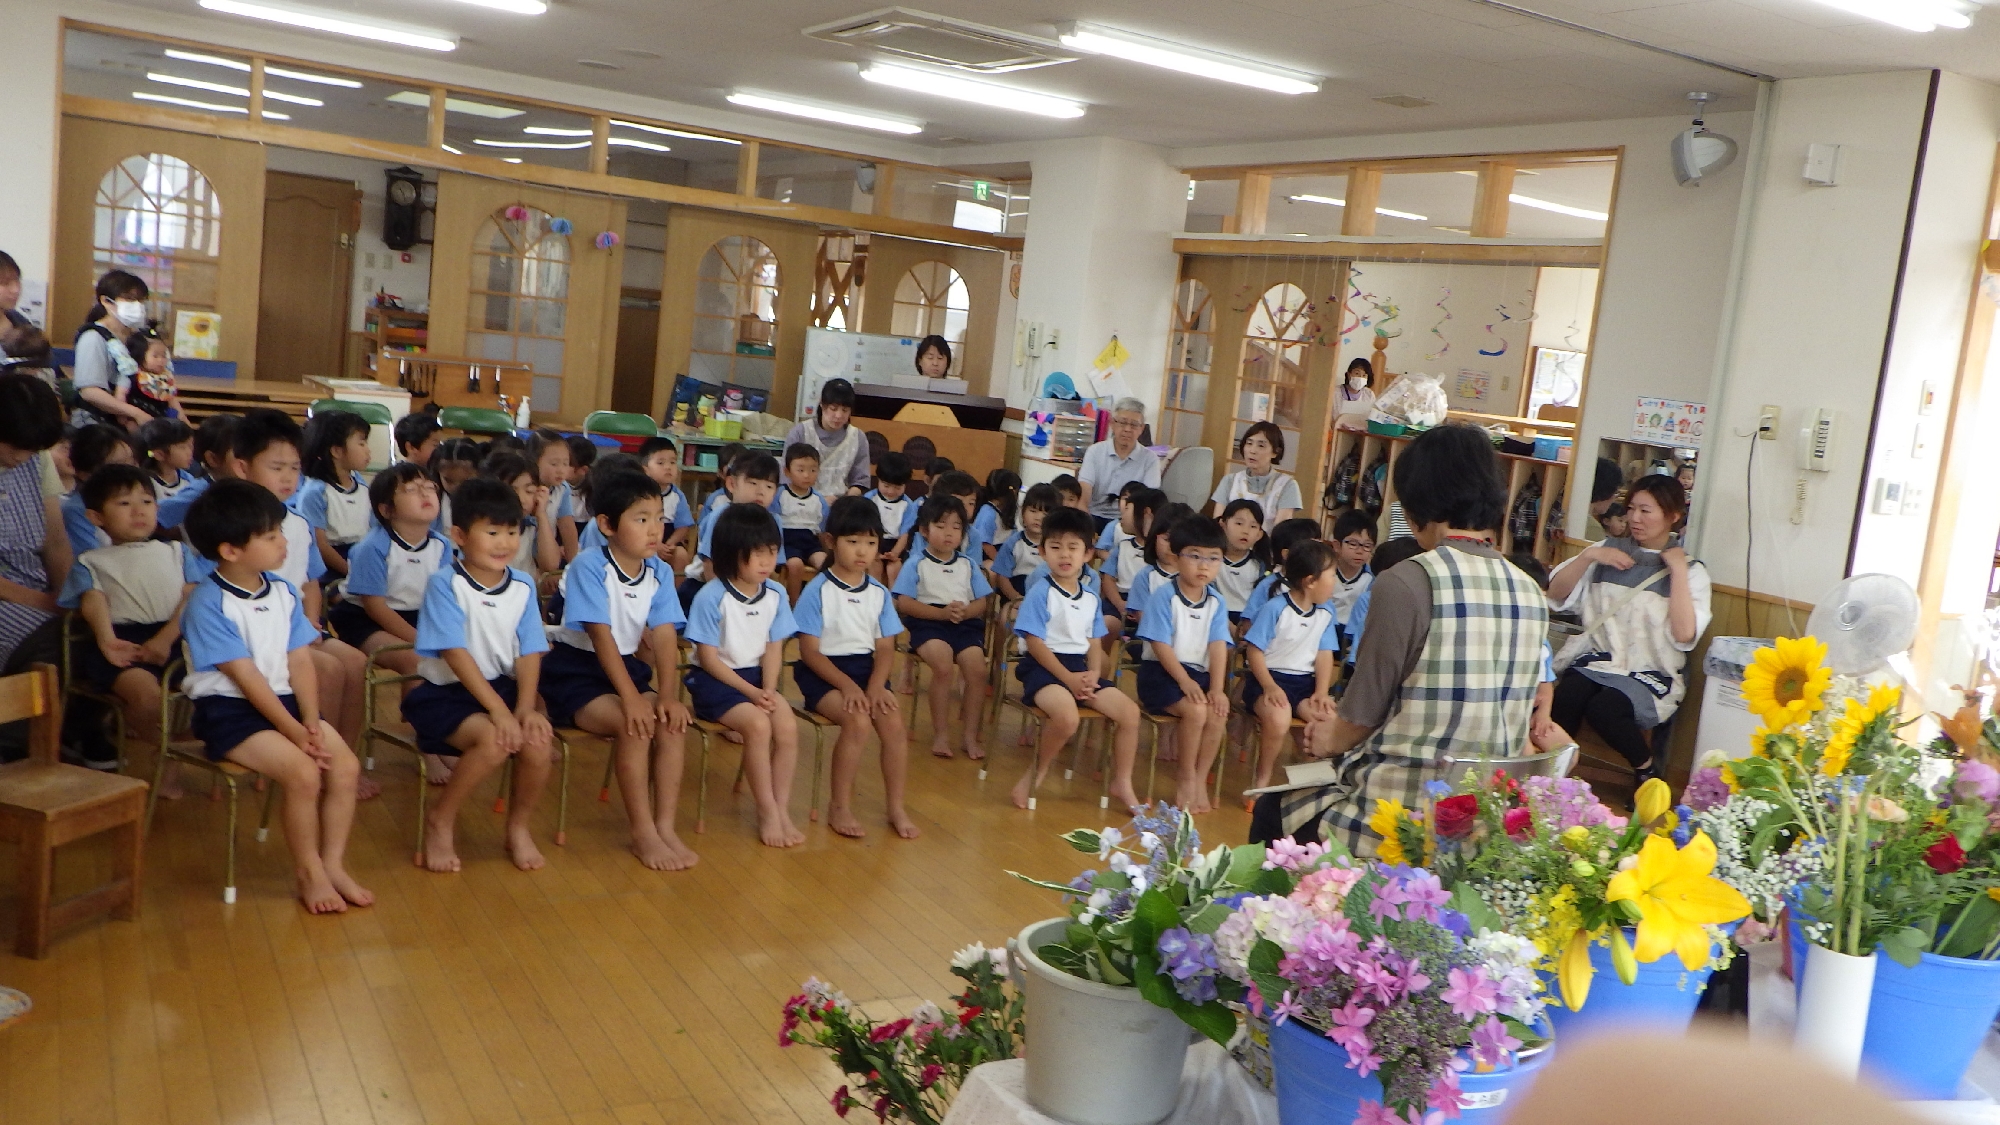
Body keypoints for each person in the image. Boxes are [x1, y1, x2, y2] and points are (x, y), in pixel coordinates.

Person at [1258, 423, 1549, 854]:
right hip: (1482, 814)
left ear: (1415, 506)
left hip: (1402, 812)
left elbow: (1361, 713)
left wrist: (1326, 737)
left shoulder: (1408, 580)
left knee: (1272, 809)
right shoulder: (1528, 588)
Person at [180, 478, 371, 913]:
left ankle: (333, 863)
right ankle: (309, 871)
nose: (283, 543)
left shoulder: (283, 592)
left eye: (279, 532)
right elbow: (245, 679)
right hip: (230, 712)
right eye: (270, 537)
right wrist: (294, 731)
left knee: (345, 767)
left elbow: (299, 662)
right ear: (230, 550)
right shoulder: (208, 603)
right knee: (304, 774)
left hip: (286, 705)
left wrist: (310, 719)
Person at [542, 469, 697, 870]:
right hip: (576, 671)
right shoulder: (589, 566)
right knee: (636, 726)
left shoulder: (660, 570)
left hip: (626, 669)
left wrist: (666, 695)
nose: (654, 529)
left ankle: (665, 826)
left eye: (659, 518)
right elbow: (600, 636)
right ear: (607, 525)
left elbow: (663, 636)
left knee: (671, 724)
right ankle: (643, 833)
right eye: (641, 518)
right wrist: (631, 698)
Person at [407, 478, 556, 873]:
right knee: (495, 741)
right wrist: (500, 712)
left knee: (538, 741)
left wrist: (524, 707)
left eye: (512, 531)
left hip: (503, 691)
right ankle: (441, 819)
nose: (504, 542)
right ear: (459, 535)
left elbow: (529, 650)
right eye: (491, 532)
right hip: (446, 695)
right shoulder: (446, 585)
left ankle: (518, 828)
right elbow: (455, 655)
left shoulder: (523, 585)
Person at [1545, 473, 1711, 780]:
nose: (1635, 518)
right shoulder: (1606, 550)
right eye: (1632, 508)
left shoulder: (1691, 572)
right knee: (1567, 694)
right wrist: (1589, 556)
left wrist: (1676, 571)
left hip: (1650, 671)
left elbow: (1685, 633)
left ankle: (1646, 770)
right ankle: (1552, 774)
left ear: (1673, 516)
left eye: (1646, 511)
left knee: (1605, 708)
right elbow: (1555, 593)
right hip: (1600, 659)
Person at [56, 464, 201, 774]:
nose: (138, 511)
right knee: (146, 696)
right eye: (124, 503)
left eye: (146, 502)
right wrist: (108, 641)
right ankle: (164, 760)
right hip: (122, 643)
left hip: (175, 637)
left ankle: (204, 741)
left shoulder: (177, 551)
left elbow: (194, 597)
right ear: (96, 518)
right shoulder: (91, 561)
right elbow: (92, 601)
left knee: (227, 678)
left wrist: (164, 639)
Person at [793, 497, 917, 840]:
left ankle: (896, 807)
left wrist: (877, 685)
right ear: (831, 542)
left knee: (892, 724)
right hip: (824, 674)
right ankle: (840, 806)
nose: (863, 551)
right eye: (853, 542)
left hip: (868, 671)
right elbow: (810, 652)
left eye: (871, 543)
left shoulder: (877, 591)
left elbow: (886, 647)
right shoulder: (818, 590)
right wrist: (848, 686)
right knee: (858, 721)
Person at [685, 504, 803, 849]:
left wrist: (768, 689)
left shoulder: (777, 594)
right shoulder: (711, 597)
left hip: (755, 680)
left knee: (787, 726)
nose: (767, 562)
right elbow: (707, 659)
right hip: (715, 681)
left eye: (771, 551)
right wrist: (752, 694)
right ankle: (766, 811)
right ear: (732, 554)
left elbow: (774, 647)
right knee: (758, 725)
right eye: (756, 554)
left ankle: (781, 808)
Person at [1009, 506, 1141, 811]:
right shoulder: (1041, 592)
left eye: (1073, 547)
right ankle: (1035, 773)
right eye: (1055, 547)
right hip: (1042, 668)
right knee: (1067, 719)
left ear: (1088, 554)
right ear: (1042, 552)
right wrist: (1068, 679)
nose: (1064, 555)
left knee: (1129, 713)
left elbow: (1094, 642)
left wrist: (1093, 673)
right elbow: (1034, 642)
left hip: (1078, 669)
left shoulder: (1091, 598)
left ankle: (1122, 781)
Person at [1135, 515, 1232, 813]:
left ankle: (1201, 778)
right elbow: (1160, 646)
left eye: (1213, 558)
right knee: (1196, 710)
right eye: (1195, 556)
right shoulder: (1164, 596)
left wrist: (1218, 688)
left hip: (1198, 675)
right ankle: (1185, 775)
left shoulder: (1216, 601)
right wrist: (1184, 681)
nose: (1204, 566)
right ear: (1176, 559)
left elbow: (1218, 646)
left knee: (1216, 712)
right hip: (1161, 674)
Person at [891, 495, 991, 762]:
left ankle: (969, 735)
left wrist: (966, 611)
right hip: (928, 624)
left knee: (977, 670)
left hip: (963, 623)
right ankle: (941, 733)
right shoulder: (916, 563)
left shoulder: (967, 564)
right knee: (944, 666)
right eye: (942, 525)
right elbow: (905, 602)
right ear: (925, 530)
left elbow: (982, 601)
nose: (949, 533)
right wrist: (940, 614)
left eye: (957, 527)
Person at [1244, 539, 1342, 789]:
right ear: (1310, 580)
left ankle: (1311, 782)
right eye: (1331, 576)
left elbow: (1324, 654)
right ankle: (1263, 777)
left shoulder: (1326, 612)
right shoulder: (1275, 607)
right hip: (1269, 680)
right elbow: (1254, 651)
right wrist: (1269, 686)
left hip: (1304, 685)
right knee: (1279, 718)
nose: (1335, 582)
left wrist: (1321, 692)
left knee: (1326, 718)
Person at [70, 270, 157, 430]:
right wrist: (135, 413)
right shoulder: (93, 337)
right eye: (130, 299)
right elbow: (90, 392)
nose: (137, 306)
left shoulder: (138, 337)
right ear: (106, 301)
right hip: (96, 422)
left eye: (140, 300)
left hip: (135, 419)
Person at [296, 410, 375, 578]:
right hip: (332, 564)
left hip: (360, 553)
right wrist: (352, 572)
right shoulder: (316, 492)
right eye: (361, 444)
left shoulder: (360, 482)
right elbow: (320, 545)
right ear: (336, 451)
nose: (368, 450)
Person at [1077, 398, 1162, 533]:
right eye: (1122, 422)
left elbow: (1150, 499)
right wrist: (1084, 524)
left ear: (1142, 429)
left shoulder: (1150, 459)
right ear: (1112, 423)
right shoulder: (1095, 451)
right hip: (1093, 516)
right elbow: (1084, 492)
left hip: (1130, 522)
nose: (1127, 429)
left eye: (1134, 424)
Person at [480, 452, 561, 579]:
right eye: (512, 490)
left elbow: (550, 565)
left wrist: (541, 515)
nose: (522, 499)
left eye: (529, 491)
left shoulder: (531, 525)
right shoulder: (481, 527)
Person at [785, 377, 871, 497]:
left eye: (845, 410)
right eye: (833, 409)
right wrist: (816, 501)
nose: (839, 415)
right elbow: (787, 477)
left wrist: (849, 497)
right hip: (803, 501)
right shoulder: (800, 432)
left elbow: (861, 481)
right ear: (822, 404)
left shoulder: (858, 438)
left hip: (841, 504)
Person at [1209, 421, 1300, 530]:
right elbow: (1218, 525)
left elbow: (1280, 533)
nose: (1252, 450)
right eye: (1249, 443)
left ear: (1275, 452)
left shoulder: (1287, 485)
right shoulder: (1230, 480)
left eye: (1261, 445)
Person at [61, 424, 135, 556]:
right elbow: (92, 559)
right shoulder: (75, 511)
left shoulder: (137, 499)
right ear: (85, 474)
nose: (129, 472)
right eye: (118, 466)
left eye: (132, 462)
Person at [773, 442, 830, 596]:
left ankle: (816, 601)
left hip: (811, 542)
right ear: (787, 471)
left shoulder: (819, 500)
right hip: (787, 541)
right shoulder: (779, 494)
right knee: (795, 565)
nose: (807, 475)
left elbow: (823, 530)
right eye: (801, 470)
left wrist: (827, 550)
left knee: (826, 563)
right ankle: (794, 605)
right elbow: (773, 523)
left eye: (813, 470)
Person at [635, 435, 695, 572]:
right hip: (644, 539)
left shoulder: (677, 496)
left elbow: (683, 525)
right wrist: (656, 544)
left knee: (681, 555)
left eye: (673, 462)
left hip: (669, 542)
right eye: (661, 463)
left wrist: (668, 545)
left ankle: (676, 592)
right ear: (645, 469)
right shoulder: (640, 494)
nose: (668, 467)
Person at [992, 483, 1058, 603]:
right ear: (1022, 512)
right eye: (1033, 511)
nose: (1038, 518)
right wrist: (1016, 598)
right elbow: (1002, 577)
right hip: (1015, 597)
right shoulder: (1013, 543)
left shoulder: (1057, 546)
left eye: (1045, 514)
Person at [1327, 509, 1377, 647]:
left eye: (1367, 546)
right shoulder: (1325, 574)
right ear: (1337, 545)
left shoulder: (1371, 580)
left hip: (1353, 636)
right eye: (1353, 544)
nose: (1360, 551)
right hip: (1325, 629)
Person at [1214, 498, 1269, 625]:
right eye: (1239, 523)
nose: (1245, 531)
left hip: (1248, 619)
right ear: (1223, 524)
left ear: (1259, 534)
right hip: (1216, 616)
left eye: (1253, 526)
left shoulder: (1260, 566)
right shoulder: (1212, 560)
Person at [865, 451, 917, 583]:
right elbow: (864, 527)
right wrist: (873, 550)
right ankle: (875, 597)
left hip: (895, 545)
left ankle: (893, 602)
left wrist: (894, 553)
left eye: (897, 487)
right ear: (878, 479)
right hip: (873, 541)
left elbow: (905, 534)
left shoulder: (908, 505)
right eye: (886, 485)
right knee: (874, 565)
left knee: (895, 568)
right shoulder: (869, 499)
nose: (891, 491)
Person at [528, 430, 579, 560]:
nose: (561, 470)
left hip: (547, 555)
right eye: (554, 464)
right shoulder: (525, 488)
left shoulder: (562, 489)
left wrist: (573, 562)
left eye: (566, 463)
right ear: (534, 462)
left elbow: (567, 527)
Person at [119, 332, 181, 420]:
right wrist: (124, 421)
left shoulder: (165, 376)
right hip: (136, 420)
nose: (161, 360)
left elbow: (172, 401)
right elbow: (120, 396)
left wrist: (183, 420)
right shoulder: (130, 374)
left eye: (164, 356)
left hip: (162, 420)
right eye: (155, 356)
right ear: (139, 355)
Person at [138, 417, 197, 504]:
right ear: (159, 454)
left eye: (190, 446)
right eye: (182, 447)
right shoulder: (145, 484)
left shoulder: (189, 479)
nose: (189, 452)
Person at [973, 469, 1020, 565]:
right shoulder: (988, 513)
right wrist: (1001, 563)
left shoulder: (1007, 511)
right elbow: (985, 544)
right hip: (987, 556)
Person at [1332, 357, 1377, 431]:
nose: (1360, 378)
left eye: (1364, 375)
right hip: (1336, 432)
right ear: (1349, 374)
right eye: (1357, 373)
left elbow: (1371, 418)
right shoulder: (1335, 392)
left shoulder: (1369, 395)